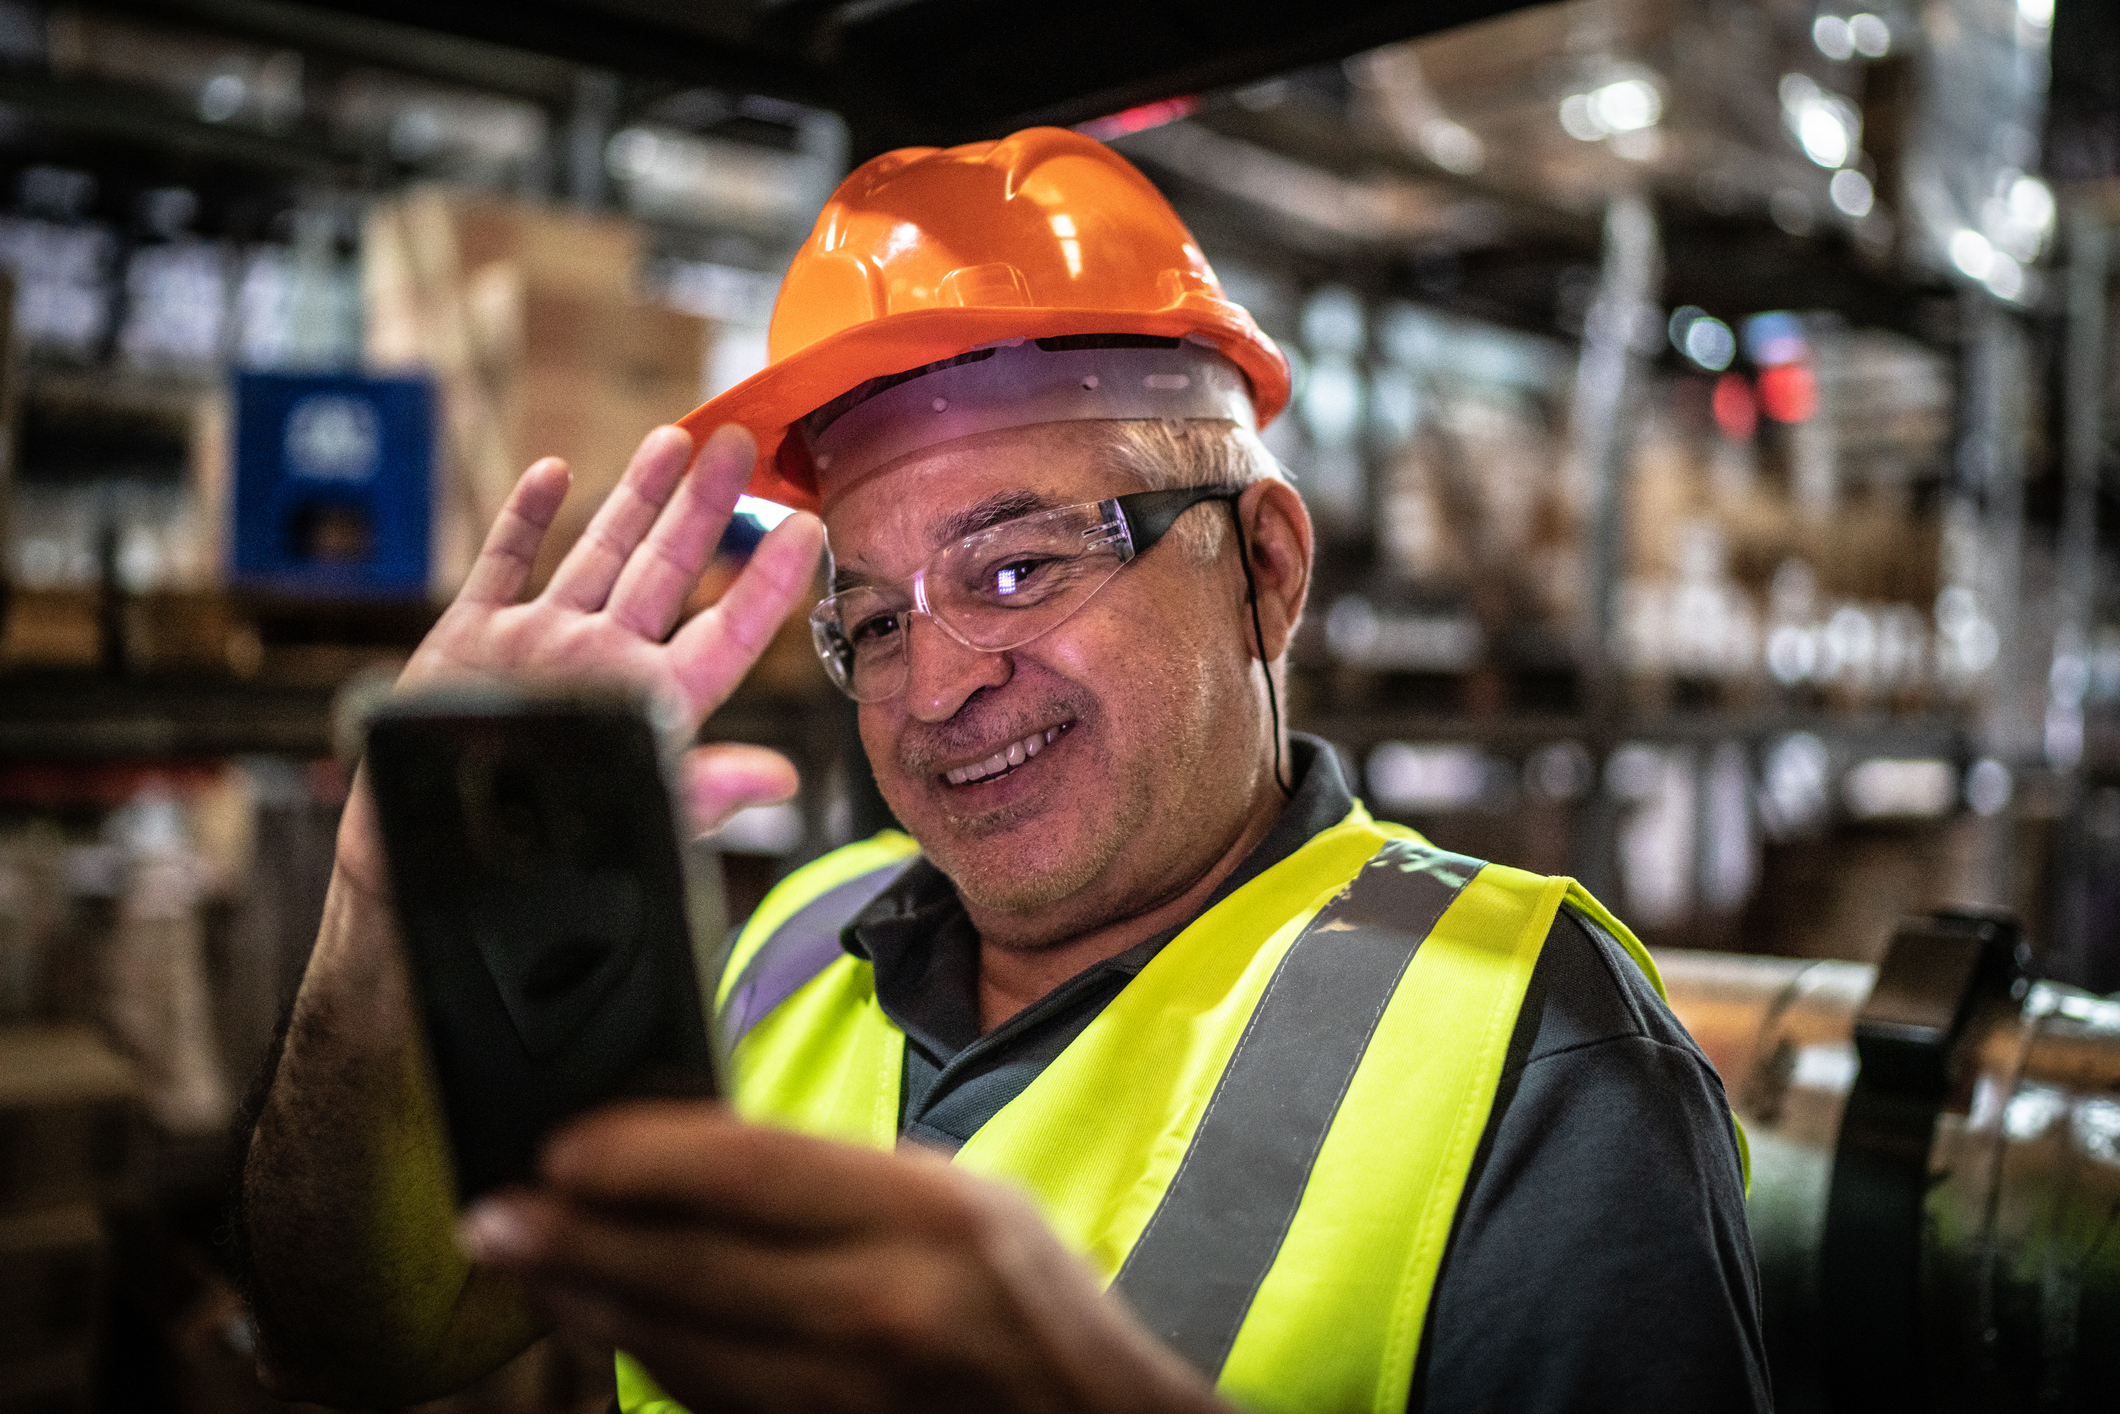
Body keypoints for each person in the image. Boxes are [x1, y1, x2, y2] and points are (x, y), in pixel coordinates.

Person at [238, 128, 1768, 1414]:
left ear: (1267, 568)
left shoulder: (1535, 1056)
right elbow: (372, 1334)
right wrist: (381, 908)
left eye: (1023, 567)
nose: (942, 681)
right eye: (873, 620)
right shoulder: (782, 955)